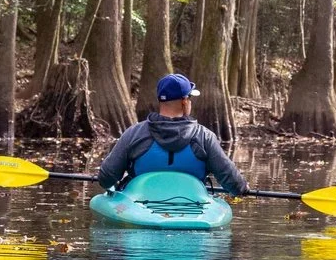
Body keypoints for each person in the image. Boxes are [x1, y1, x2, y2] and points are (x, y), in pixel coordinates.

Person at [96, 74, 248, 195]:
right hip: (192, 206)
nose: (190, 102)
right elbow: (234, 183)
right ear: (184, 101)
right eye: (190, 98)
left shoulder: (134, 134)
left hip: (140, 206)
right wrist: (243, 188)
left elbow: (106, 178)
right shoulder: (205, 137)